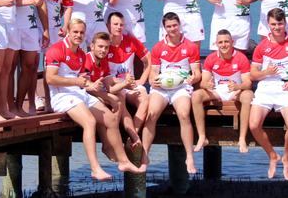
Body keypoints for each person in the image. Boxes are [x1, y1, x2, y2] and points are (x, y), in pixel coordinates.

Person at [45, 19, 146, 180]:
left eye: (81, 33)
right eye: (75, 32)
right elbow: (50, 79)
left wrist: (91, 87)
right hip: (62, 96)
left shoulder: (79, 53)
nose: (78, 35)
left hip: (79, 92)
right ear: (68, 32)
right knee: (90, 122)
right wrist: (77, 82)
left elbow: (85, 81)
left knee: (112, 119)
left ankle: (123, 161)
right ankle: (95, 168)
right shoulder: (56, 50)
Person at [142, 12, 201, 174]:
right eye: (169, 26)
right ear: (164, 28)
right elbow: (153, 73)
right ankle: (145, 154)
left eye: (175, 25)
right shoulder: (158, 47)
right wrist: (153, 80)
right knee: (151, 114)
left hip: (180, 88)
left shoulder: (190, 46)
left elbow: (197, 73)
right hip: (161, 89)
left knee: (183, 114)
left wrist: (192, 79)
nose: (172, 29)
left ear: (179, 25)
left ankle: (189, 157)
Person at [249, 8, 288, 180]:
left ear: (285, 23)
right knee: (254, 125)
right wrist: (266, 72)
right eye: (273, 24)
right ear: (268, 25)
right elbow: (253, 75)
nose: (277, 27)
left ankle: (286, 157)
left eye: (280, 23)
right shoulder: (262, 47)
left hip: (285, 89)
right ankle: (272, 155)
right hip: (265, 88)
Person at [192, 29, 253, 153]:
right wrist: (207, 85)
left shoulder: (241, 58)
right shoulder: (211, 58)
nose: (224, 45)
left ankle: (242, 138)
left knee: (248, 96)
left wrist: (238, 87)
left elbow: (248, 83)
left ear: (232, 42)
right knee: (196, 95)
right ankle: (202, 137)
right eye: (220, 42)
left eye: (226, 42)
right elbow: (203, 82)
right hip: (217, 91)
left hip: (235, 92)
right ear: (216, 44)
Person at [11, 0, 49, 116]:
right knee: (8, 67)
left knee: (30, 65)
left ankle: (20, 105)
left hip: (30, 25)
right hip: (10, 24)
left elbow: (40, 2)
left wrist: (46, 29)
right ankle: (7, 107)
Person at [106, 11, 150, 146]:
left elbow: (148, 59)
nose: (119, 27)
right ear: (108, 25)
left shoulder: (130, 41)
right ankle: (134, 138)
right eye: (115, 24)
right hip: (115, 87)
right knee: (120, 100)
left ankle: (133, 136)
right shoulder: (104, 45)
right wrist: (122, 83)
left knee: (144, 99)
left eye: (121, 25)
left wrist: (142, 80)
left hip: (130, 85)